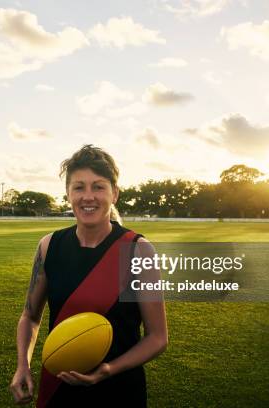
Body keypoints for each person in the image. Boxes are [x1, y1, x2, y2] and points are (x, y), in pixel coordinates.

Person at [10, 145, 168, 407]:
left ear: (114, 193)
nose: (88, 196)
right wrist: (22, 365)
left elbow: (157, 338)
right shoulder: (49, 246)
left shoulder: (139, 250)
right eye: (79, 187)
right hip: (58, 389)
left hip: (119, 390)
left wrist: (108, 369)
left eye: (98, 187)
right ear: (68, 194)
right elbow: (30, 316)